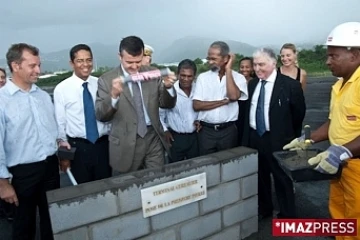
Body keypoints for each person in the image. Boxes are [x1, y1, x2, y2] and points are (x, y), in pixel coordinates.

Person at [283, 22, 360, 239]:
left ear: (353, 55)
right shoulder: (340, 84)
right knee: (340, 216)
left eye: (333, 56)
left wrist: (341, 151)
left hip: (355, 167)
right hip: (340, 165)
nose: (327, 61)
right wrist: (307, 140)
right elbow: (334, 122)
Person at [0, 43, 60, 239]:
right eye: (32, 66)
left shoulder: (42, 96)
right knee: (23, 225)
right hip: (22, 173)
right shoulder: (2, 101)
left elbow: (53, 131)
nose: (38, 71)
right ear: (15, 66)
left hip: (50, 167)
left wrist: (61, 146)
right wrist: (3, 183)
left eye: (39, 65)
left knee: (52, 221)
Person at [95, 36, 177, 175]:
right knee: (127, 188)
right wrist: (113, 96)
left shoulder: (152, 73)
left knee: (157, 182)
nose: (134, 67)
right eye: (129, 62)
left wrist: (168, 87)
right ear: (119, 57)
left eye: (138, 62)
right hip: (125, 143)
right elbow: (101, 115)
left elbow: (166, 104)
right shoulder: (106, 80)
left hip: (153, 138)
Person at [242, 48, 306, 220]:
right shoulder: (253, 84)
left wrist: (287, 136)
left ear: (273, 63)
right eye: (255, 65)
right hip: (256, 137)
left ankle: (287, 216)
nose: (257, 68)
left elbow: (298, 115)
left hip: (279, 140)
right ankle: (265, 209)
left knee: (282, 178)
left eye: (261, 64)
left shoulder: (290, 86)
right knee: (260, 177)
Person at [53, 44, 112, 184]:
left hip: (103, 145)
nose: (85, 64)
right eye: (80, 61)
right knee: (83, 190)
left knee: (106, 187)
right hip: (78, 148)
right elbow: (60, 122)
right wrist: (64, 154)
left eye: (89, 60)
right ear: (72, 63)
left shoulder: (101, 84)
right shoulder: (62, 89)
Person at [192, 41, 248, 155]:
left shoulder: (239, 78)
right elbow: (197, 105)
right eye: (208, 58)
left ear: (226, 59)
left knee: (228, 164)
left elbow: (233, 96)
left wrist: (228, 70)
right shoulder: (203, 78)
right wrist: (223, 102)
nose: (210, 62)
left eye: (214, 59)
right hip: (206, 132)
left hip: (229, 131)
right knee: (207, 165)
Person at [160, 59, 200, 163]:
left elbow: (202, 109)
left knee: (196, 167)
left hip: (195, 137)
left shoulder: (199, 89)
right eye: (183, 75)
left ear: (194, 76)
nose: (185, 79)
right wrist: (165, 130)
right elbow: (160, 114)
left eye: (189, 76)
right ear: (178, 74)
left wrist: (200, 120)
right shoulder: (169, 90)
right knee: (175, 169)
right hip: (176, 138)